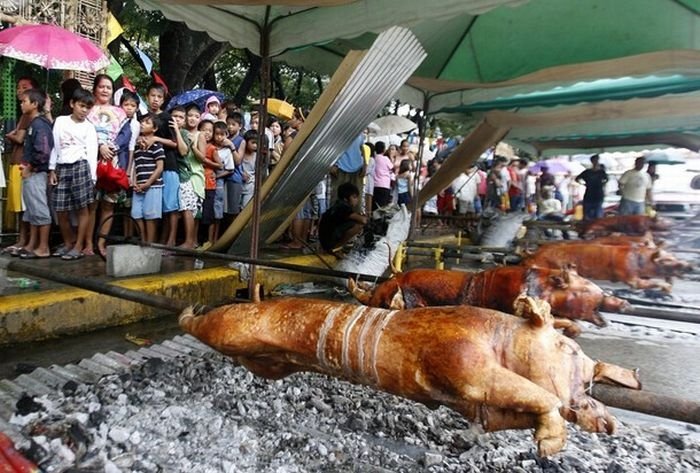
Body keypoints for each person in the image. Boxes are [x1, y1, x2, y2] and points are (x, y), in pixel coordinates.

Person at [49, 88, 98, 261]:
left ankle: (78, 246)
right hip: (62, 167)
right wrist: (52, 169)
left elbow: (92, 153)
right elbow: (55, 146)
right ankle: (68, 242)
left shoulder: (89, 128)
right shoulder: (61, 121)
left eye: (88, 107)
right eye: (81, 106)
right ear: (72, 104)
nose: (84, 110)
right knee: (60, 209)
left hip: (81, 167)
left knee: (82, 208)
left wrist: (92, 177)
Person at [2, 76, 40, 256]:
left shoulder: (27, 116)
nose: (19, 90)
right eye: (18, 87)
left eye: (24, 87)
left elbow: (19, 138)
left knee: (25, 206)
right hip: (17, 161)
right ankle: (22, 240)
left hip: (22, 163)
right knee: (20, 206)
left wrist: (10, 135)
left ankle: (24, 241)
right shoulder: (24, 114)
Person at [18, 88, 54, 259]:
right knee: (32, 210)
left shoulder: (39, 124)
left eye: (24, 101)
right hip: (32, 173)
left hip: (37, 173)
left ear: (35, 104)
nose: (21, 104)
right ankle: (33, 245)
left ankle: (43, 247)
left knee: (40, 210)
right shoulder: (34, 123)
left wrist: (30, 167)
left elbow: (43, 151)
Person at [144, 83, 180, 247]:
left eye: (159, 97)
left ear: (163, 99)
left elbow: (175, 143)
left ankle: (171, 240)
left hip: (169, 166)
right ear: (147, 97)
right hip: (149, 168)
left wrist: (156, 139)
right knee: (156, 208)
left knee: (170, 205)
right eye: (153, 96)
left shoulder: (167, 118)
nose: (155, 100)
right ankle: (158, 241)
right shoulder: (143, 118)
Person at [173, 106, 204, 249]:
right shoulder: (180, 133)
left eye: (196, 116)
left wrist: (193, 146)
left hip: (194, 175)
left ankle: (190, 241)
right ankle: (189, 240)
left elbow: (202, 158)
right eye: (190, 115)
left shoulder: (200, 135)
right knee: (185, 208)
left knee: (190, 209)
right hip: (182, 174)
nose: (192, 119)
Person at [131, 114, 165, 243]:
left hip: (154, 185)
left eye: (147, 122)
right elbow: (136, 166)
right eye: (142, 122)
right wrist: (134, 182)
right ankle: (143, 240)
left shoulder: (156, 146)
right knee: (136, 214)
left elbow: (160, 167)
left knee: (150, 216)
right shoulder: (137, 147)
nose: (142, 124)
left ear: (154, 128)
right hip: (139, 186)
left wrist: (148, 183)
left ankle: (150, 244)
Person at [318, 182, 367, 256]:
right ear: (345, 198)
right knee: (358, 225)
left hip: (325, 239)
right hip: (328, 241)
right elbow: (363, 220)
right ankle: (335, 248)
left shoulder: (338, 205)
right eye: (354, 197)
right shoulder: (343, 208)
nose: (357, 200)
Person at [330, 134, 365, 212]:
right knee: (337, 199)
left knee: (356, 200)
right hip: (340, 168)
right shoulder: (337, 130)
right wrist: (332, 164)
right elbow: (329, 146)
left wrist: (364, 164)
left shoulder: (360, 131)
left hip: (357, 169)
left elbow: (361, 148)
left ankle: (354, 222)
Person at [575, 154, 608, 220]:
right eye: (594, 160)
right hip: (589, 194)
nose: (596, 162)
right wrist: (583, 184)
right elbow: (577, 179)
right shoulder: (587, 172)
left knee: (598, 215)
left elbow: (606, 180)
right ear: (592, 161)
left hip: (598, 195)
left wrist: (603, 185)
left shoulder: (601, 172)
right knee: (587, 215)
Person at [372, 141, 393, 209]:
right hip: (384, 185)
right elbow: (392, 168)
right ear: (384, 149)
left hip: (375, 185)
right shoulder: (385, 159)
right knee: (383, 207)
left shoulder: (373, 158)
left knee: (375, 205)